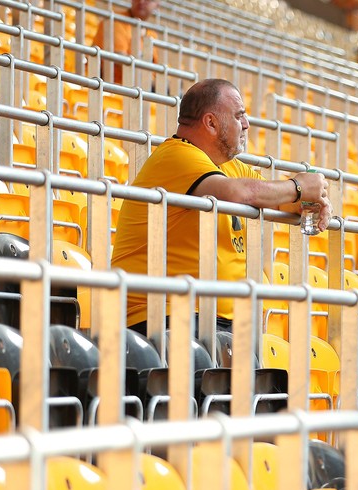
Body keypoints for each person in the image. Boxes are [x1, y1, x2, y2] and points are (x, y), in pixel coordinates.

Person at [111, 79, 332, 337]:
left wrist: (309, 202)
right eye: (239, 116)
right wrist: (297, 186)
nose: (247, 124)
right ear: (211, 123)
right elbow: (240, 195)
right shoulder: (175, 156)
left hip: (218, 321)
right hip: (164, 316)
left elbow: (278, 199)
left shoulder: (230, 167)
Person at [91, 0, 160, 85]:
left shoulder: (152, 34)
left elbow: (155, 72)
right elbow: (120, 59)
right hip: (109, 86)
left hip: (137, 89)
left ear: (157, 4)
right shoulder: (115, 20)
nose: (141, 1)